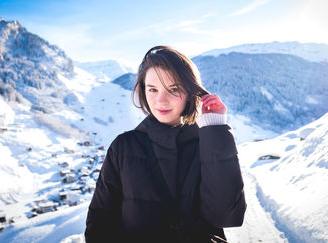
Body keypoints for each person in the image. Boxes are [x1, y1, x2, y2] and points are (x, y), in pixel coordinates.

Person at [85, 46, 246, 243]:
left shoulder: (207, 144)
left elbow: (227, 215)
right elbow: (100, 225)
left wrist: (215, 128)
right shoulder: (123, 148)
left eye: (174, 89)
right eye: (152, 89)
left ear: (190, 92)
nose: (161, 100)